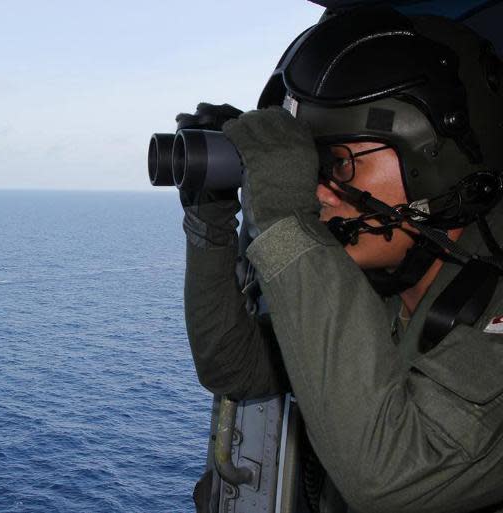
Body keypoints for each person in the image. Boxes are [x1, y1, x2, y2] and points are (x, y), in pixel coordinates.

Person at [182, 6, 503, 513]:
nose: (319, 193)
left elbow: (390, 477)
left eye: (339, 163)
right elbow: (232, 366)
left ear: (435, 162)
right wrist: (210, 220)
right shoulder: (380, 286)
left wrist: (287, 218)